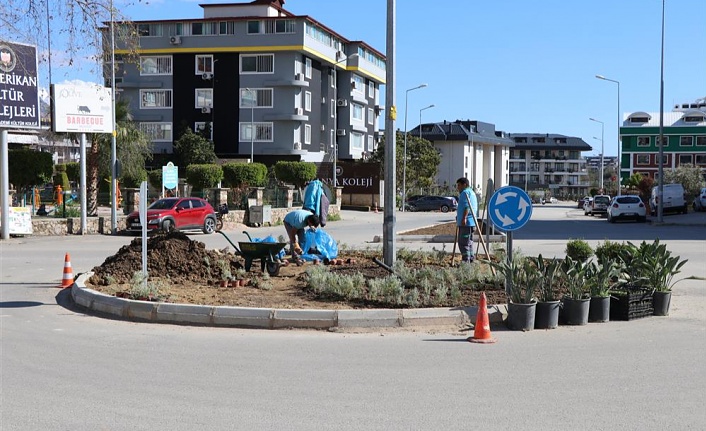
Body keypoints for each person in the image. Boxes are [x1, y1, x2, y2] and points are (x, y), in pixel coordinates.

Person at [456, 177, 479, 263]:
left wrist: (464, 218)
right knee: (469, 243)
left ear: (464, 185)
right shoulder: (472, 192)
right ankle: (471, 259)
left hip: (466, 223)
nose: (458, 187)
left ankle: (466, 261)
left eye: (459, 185)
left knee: (463, 243)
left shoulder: (465, 193)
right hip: (472, 223)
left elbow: (467, 206)